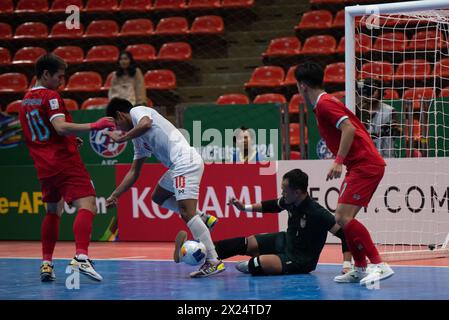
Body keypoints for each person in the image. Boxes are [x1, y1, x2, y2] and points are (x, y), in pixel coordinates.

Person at [294, 62, 394, 286]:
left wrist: (338, 161)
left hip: (364, 164)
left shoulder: (325, 104)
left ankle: (379, 264)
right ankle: (359, 268)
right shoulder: (324, 103)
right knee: (344, 218)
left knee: (341, 217)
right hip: (359, 164)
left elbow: (348, 128)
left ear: (302, 86)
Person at [18, 54, 116, 282]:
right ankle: (82, 256)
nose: (62, 82)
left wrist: (70, 140)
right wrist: (95, 126)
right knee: (89, 204)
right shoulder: (50, 96)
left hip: (44, 166)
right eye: (59, 77)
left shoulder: (24, 101)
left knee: (53, 211)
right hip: (64, 162)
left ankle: (46, 263)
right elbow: (60, 127)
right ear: (45, 74)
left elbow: (43, 133)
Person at [104, 98, 224, 278]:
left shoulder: (138, 111)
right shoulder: (138, 141)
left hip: (185, 162)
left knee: (186, 212)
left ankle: (213, 260)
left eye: (117, 125)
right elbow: (134, 171)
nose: (119, 129)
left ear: (120, 115)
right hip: (177, 167)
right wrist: (115, 195)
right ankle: (203, 218)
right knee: (158, 197)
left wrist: (121, 138)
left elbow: (146, 123)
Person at [175, 169, 352, 276]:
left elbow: (345, 235)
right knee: (244, 243)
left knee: (254, 264)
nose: (282, 193)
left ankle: (200, 256)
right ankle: (192, 254)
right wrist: (244, 208)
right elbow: (271, 205)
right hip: (285, 240)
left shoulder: (317, 213)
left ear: (298, 192)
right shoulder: (290, 201)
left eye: (285, 190)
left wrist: (346, 265)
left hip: (300, 259)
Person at [355, 78, 400, 158]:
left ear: (380, 91)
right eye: (368, 89)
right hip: (363, 156)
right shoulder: (356, 110)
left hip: (386, 155)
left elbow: (399, 131)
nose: (371, 93)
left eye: (374, 89)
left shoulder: (389, 110)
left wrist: (392, 129)